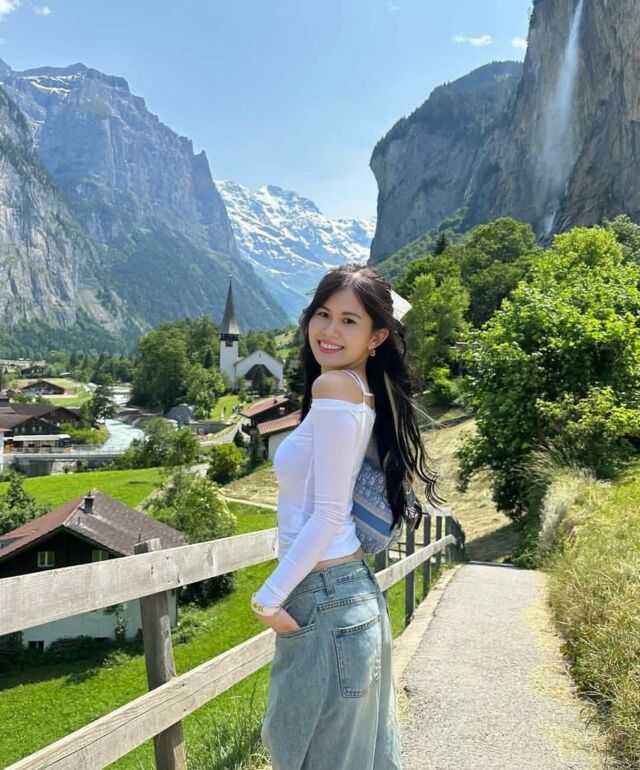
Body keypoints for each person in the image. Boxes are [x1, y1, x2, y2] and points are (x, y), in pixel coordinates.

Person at [251, 263, 444, 770]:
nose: (329, 330)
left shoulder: (336, 387)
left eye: (349, 321)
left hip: (325, 597)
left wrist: (267, 598)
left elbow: (329, 511)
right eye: (323, 314)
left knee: (304, 754)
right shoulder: (359, 388)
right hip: (346, 595)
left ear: (377, 336)